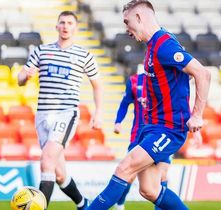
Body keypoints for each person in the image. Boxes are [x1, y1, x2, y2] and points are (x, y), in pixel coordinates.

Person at [87, 1, 211, 209]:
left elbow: (202, 74)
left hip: (168, 129)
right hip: (151, 127)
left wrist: (197, 114)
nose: (126, 29)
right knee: (149, 189)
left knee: (124, 168)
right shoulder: (154, 46)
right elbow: (178, 76)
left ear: (139, 18)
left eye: (127, 22)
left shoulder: (164, 45)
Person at [18, 11, 102, 210]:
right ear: (56, 26)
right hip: (43, 116)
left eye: (70, 23)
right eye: (62, 22)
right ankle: (84, 205)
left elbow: (97, 85)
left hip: (66, 113)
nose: (65, 26)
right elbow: (20, 79)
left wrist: (98, 113)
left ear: (75, 27)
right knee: (59, 174)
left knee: (47, 160)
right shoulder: (42, 51)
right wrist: (26, 76)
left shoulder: (84, 55)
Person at [113, 70, 169, 210]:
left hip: (160, 135)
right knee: (129, 175)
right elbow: (125, 103)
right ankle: (119, 205)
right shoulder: (134, 81)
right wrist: (118, 122)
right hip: (138, 136)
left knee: (162, 175)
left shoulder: (165, 81)